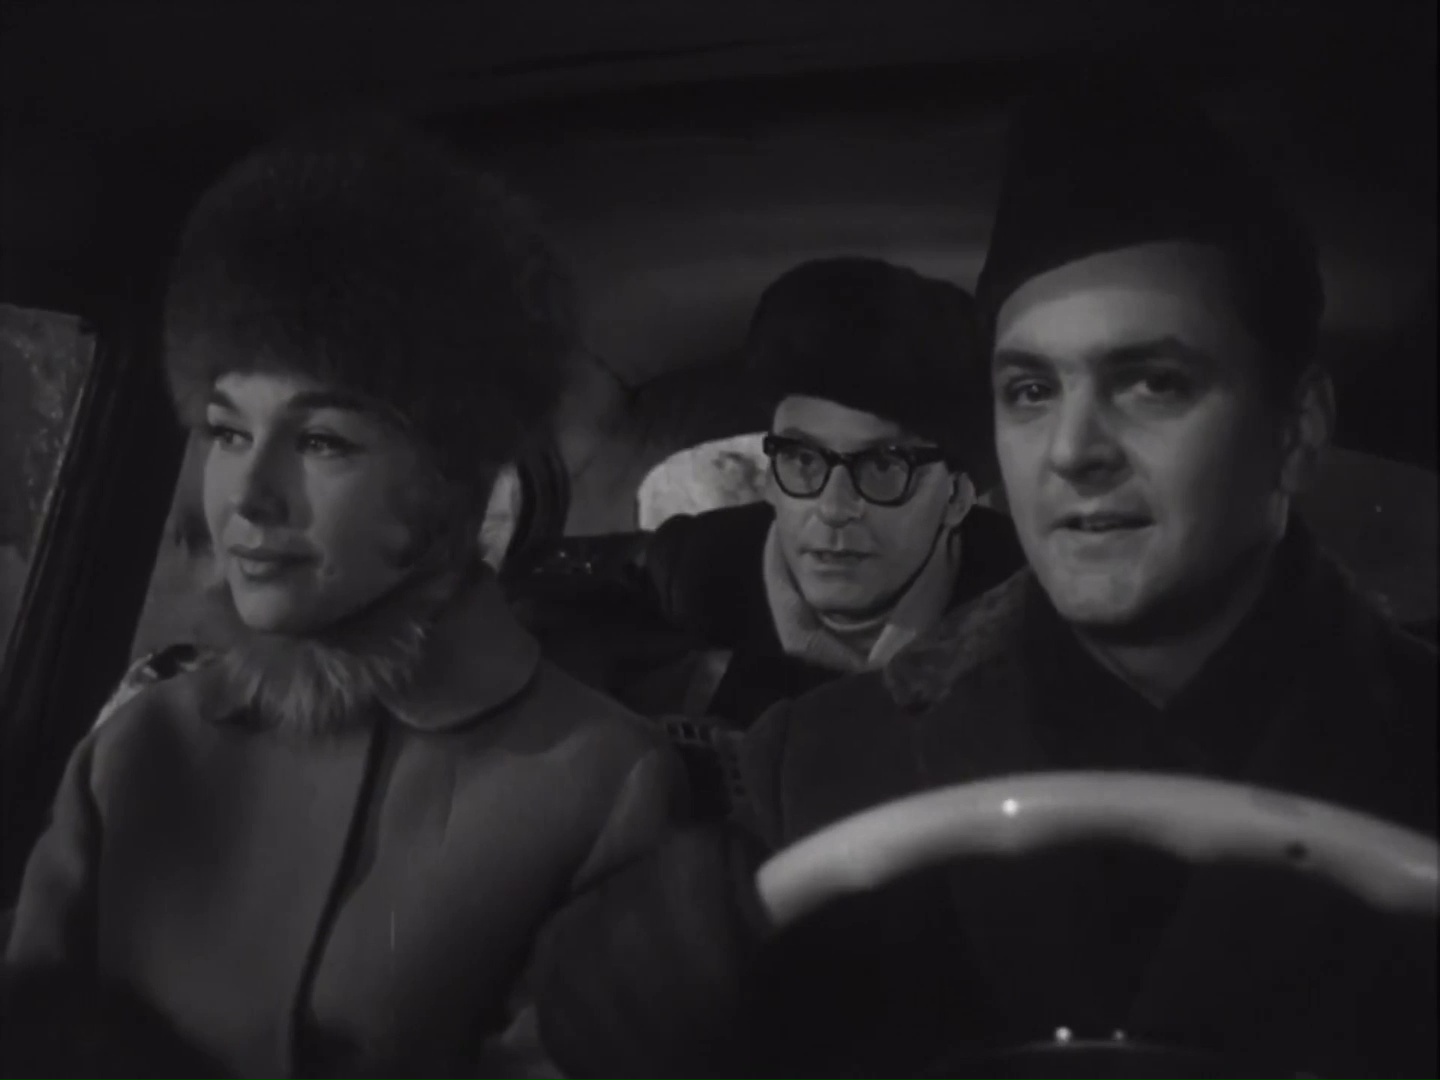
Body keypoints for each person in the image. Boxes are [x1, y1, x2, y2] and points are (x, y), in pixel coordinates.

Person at [531, 80, 1438, 1080]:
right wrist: (635, 981)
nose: (1073, 450)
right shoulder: (817, 762)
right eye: (1031, 390)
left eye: (1154, 383)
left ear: (1297, 431)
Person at [1, 124, 684, 1080]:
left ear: (450, 480)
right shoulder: (137, 747)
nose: (249, 496)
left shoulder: (601, 782)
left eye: (321, 442)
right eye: (227, 432)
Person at [619, 258, 1022, 733]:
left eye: (883, 467)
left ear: (956, 498)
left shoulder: (1024, 599)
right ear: (771, 479)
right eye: (803, 459)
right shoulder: (688, 574)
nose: (833, 508)